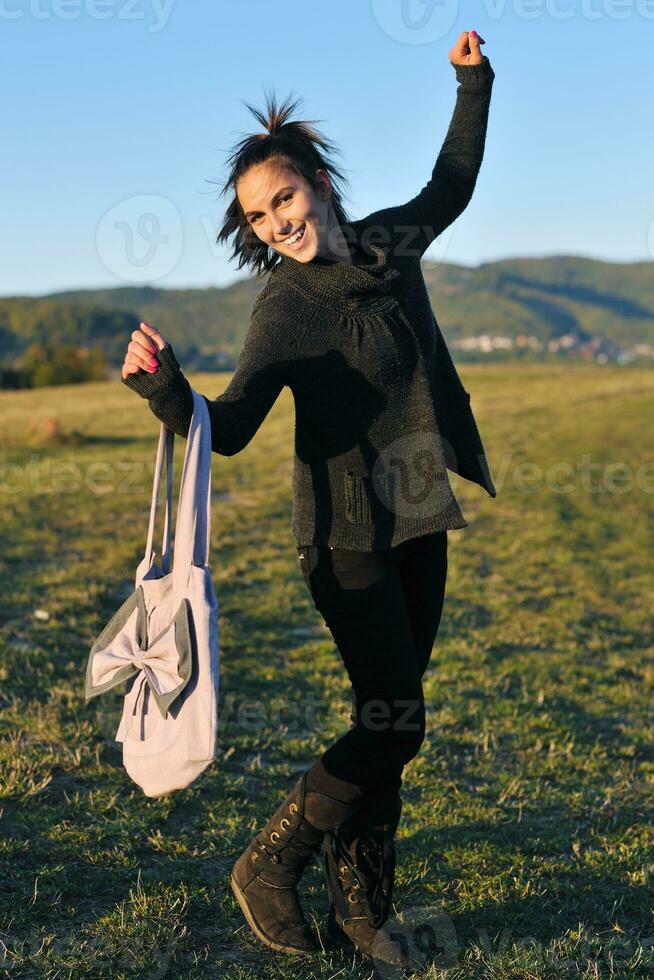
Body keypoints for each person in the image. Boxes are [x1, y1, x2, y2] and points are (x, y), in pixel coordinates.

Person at [121, 30, 496, 970]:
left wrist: (471, 81)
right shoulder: (285, 307)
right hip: (342, 539)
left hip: (418, 516)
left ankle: (364, 915)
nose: (275, 221)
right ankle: (268, 864)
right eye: (257, 215)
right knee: (395, 718)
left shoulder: (391, 245)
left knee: (390, 725)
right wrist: (168, 392)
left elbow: (452, 181)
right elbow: (234, 421)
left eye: (282, 197)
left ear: (318, 184)